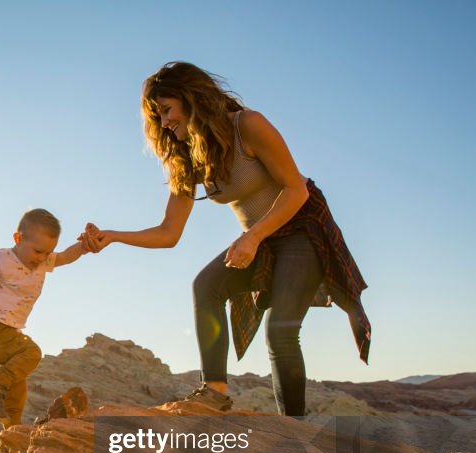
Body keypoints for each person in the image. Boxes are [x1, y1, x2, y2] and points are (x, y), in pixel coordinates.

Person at [83, 62, 370, 416]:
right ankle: (214, 393)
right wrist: (113, 236)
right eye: (158, 117)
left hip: (301, 227)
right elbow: (168, 233)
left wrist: (252, 237)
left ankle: (295, 428)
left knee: (280, 331)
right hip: (259, 237)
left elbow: (296, 191)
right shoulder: (185, 156)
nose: (165, 123)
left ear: (193, 99)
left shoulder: (248, 124)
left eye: (167, 110)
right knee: (207, 286)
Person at [0, 208, 89, 426]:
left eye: (47, 253)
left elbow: (65, 256)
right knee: (32, 353)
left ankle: (11, 435)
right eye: (38, 251)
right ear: (18, 238)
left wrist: (84, 245)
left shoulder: (43, 261)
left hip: (8, 334)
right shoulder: (2, 259)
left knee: (17, 392)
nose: (43, 258)